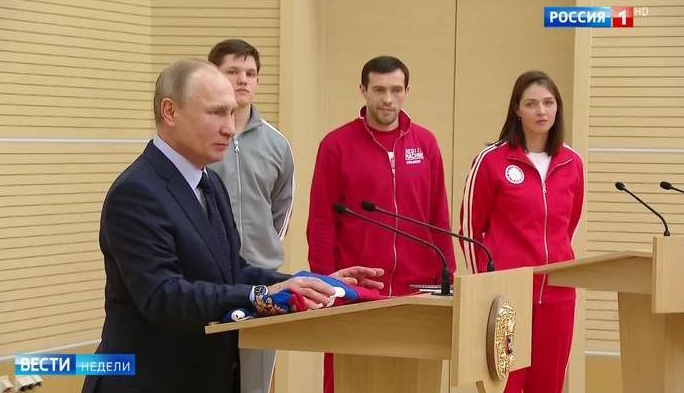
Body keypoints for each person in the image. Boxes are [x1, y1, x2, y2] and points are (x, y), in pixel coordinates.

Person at [82, 59, 384, 393]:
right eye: (216, 113)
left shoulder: (210, 183)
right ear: (170, 112)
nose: (229, 127)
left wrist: (309, 284)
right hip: (149, 381)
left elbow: (232, 272)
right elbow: (163, 295)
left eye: (232, 113)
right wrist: (260, 295)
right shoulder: (137, 192)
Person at [307, 55, 456, 393]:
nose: (388, 99)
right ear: (363, 90)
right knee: (349, 382)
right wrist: (325, 283)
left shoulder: (426, 144)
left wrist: (447, 276)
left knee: (412, 383)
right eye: (379, 90)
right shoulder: (335, 145)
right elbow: (321, 223)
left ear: (406, 92)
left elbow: (439, 216)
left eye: (396, 90)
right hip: (356, 292)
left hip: (417, 293)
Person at [460, 70, 584, 393]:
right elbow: (470, 229)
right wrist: (485, 288)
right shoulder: (491, 160)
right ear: (517, 109)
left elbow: (568, 225)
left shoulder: (572, 162)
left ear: (557, 108)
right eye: (531, 104)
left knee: (549, 385)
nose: (541, 111)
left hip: (558, 295)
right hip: (506, 297)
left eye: (548, 103)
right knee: (507, 386)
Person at [207, 38, 294, 393]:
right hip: (209, 279)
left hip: (262, 279)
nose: (243, 79)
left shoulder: (277, 144)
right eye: (233, 71)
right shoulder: (200, 140)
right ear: (213, 76)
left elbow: (282, 208)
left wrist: (263, 251)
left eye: (251, 73)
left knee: (255, 382)